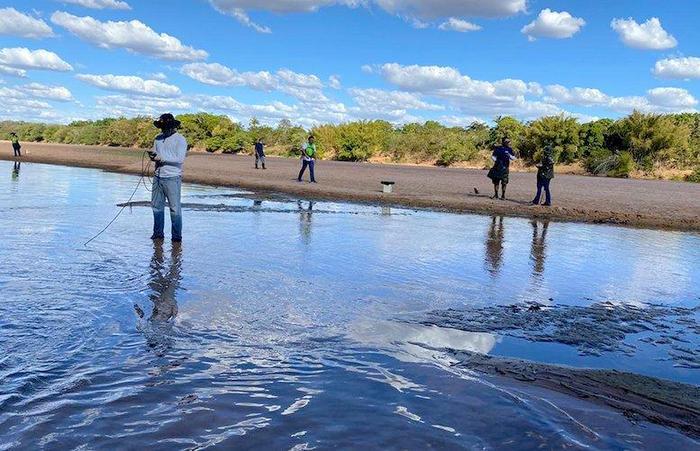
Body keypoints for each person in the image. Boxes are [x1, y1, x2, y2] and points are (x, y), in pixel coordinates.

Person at [148, 113, 188, 242]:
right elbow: (156, 153)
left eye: (165, 127)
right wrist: (154, 156)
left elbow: (180, 159)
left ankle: (176, 238)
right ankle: (157, 234)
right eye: (162, 127)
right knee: (156, 207)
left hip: (172, 177)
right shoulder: (157, 138)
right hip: (157, 177)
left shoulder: (180, 139)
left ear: (172, 127)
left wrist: (162, 158)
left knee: (175, 209)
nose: (163, 130)